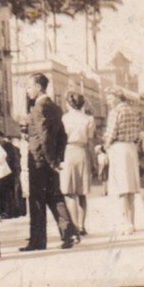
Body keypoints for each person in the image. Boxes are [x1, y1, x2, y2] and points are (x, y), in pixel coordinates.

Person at [21, 73, 79, 251]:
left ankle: (38, 241)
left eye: (29, 86)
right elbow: (62, 135)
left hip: (39, 160)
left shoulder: (38, 107)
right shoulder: (54, 106)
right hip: (50, 160)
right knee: (55, 197)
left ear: (38, 87)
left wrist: (50, 159)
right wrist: (57, 159)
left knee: (37, 201)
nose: (27, 90)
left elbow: (44, 136)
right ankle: (70, 233)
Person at [103, 86, 144, 234]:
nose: (108, 101)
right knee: (130, 189)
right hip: (131, 149)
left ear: (118, 98)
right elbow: (138, 133)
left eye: (110, 98)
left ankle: (126, 224)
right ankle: (132, 223)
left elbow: (111, 133)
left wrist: (105, 146)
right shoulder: (133, 111)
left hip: (119, 149)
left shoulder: (115, 112)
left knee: (122, 189)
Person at [60, 92, 96, 236]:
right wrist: (94, 160)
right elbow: (91, 140)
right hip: (82, 151)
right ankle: (81, 226)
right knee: (82, 193)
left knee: (69, 193)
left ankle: (74, 226)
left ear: (68, 103)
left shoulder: (64, 118)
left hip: (68, 152)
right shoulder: (89, 119)